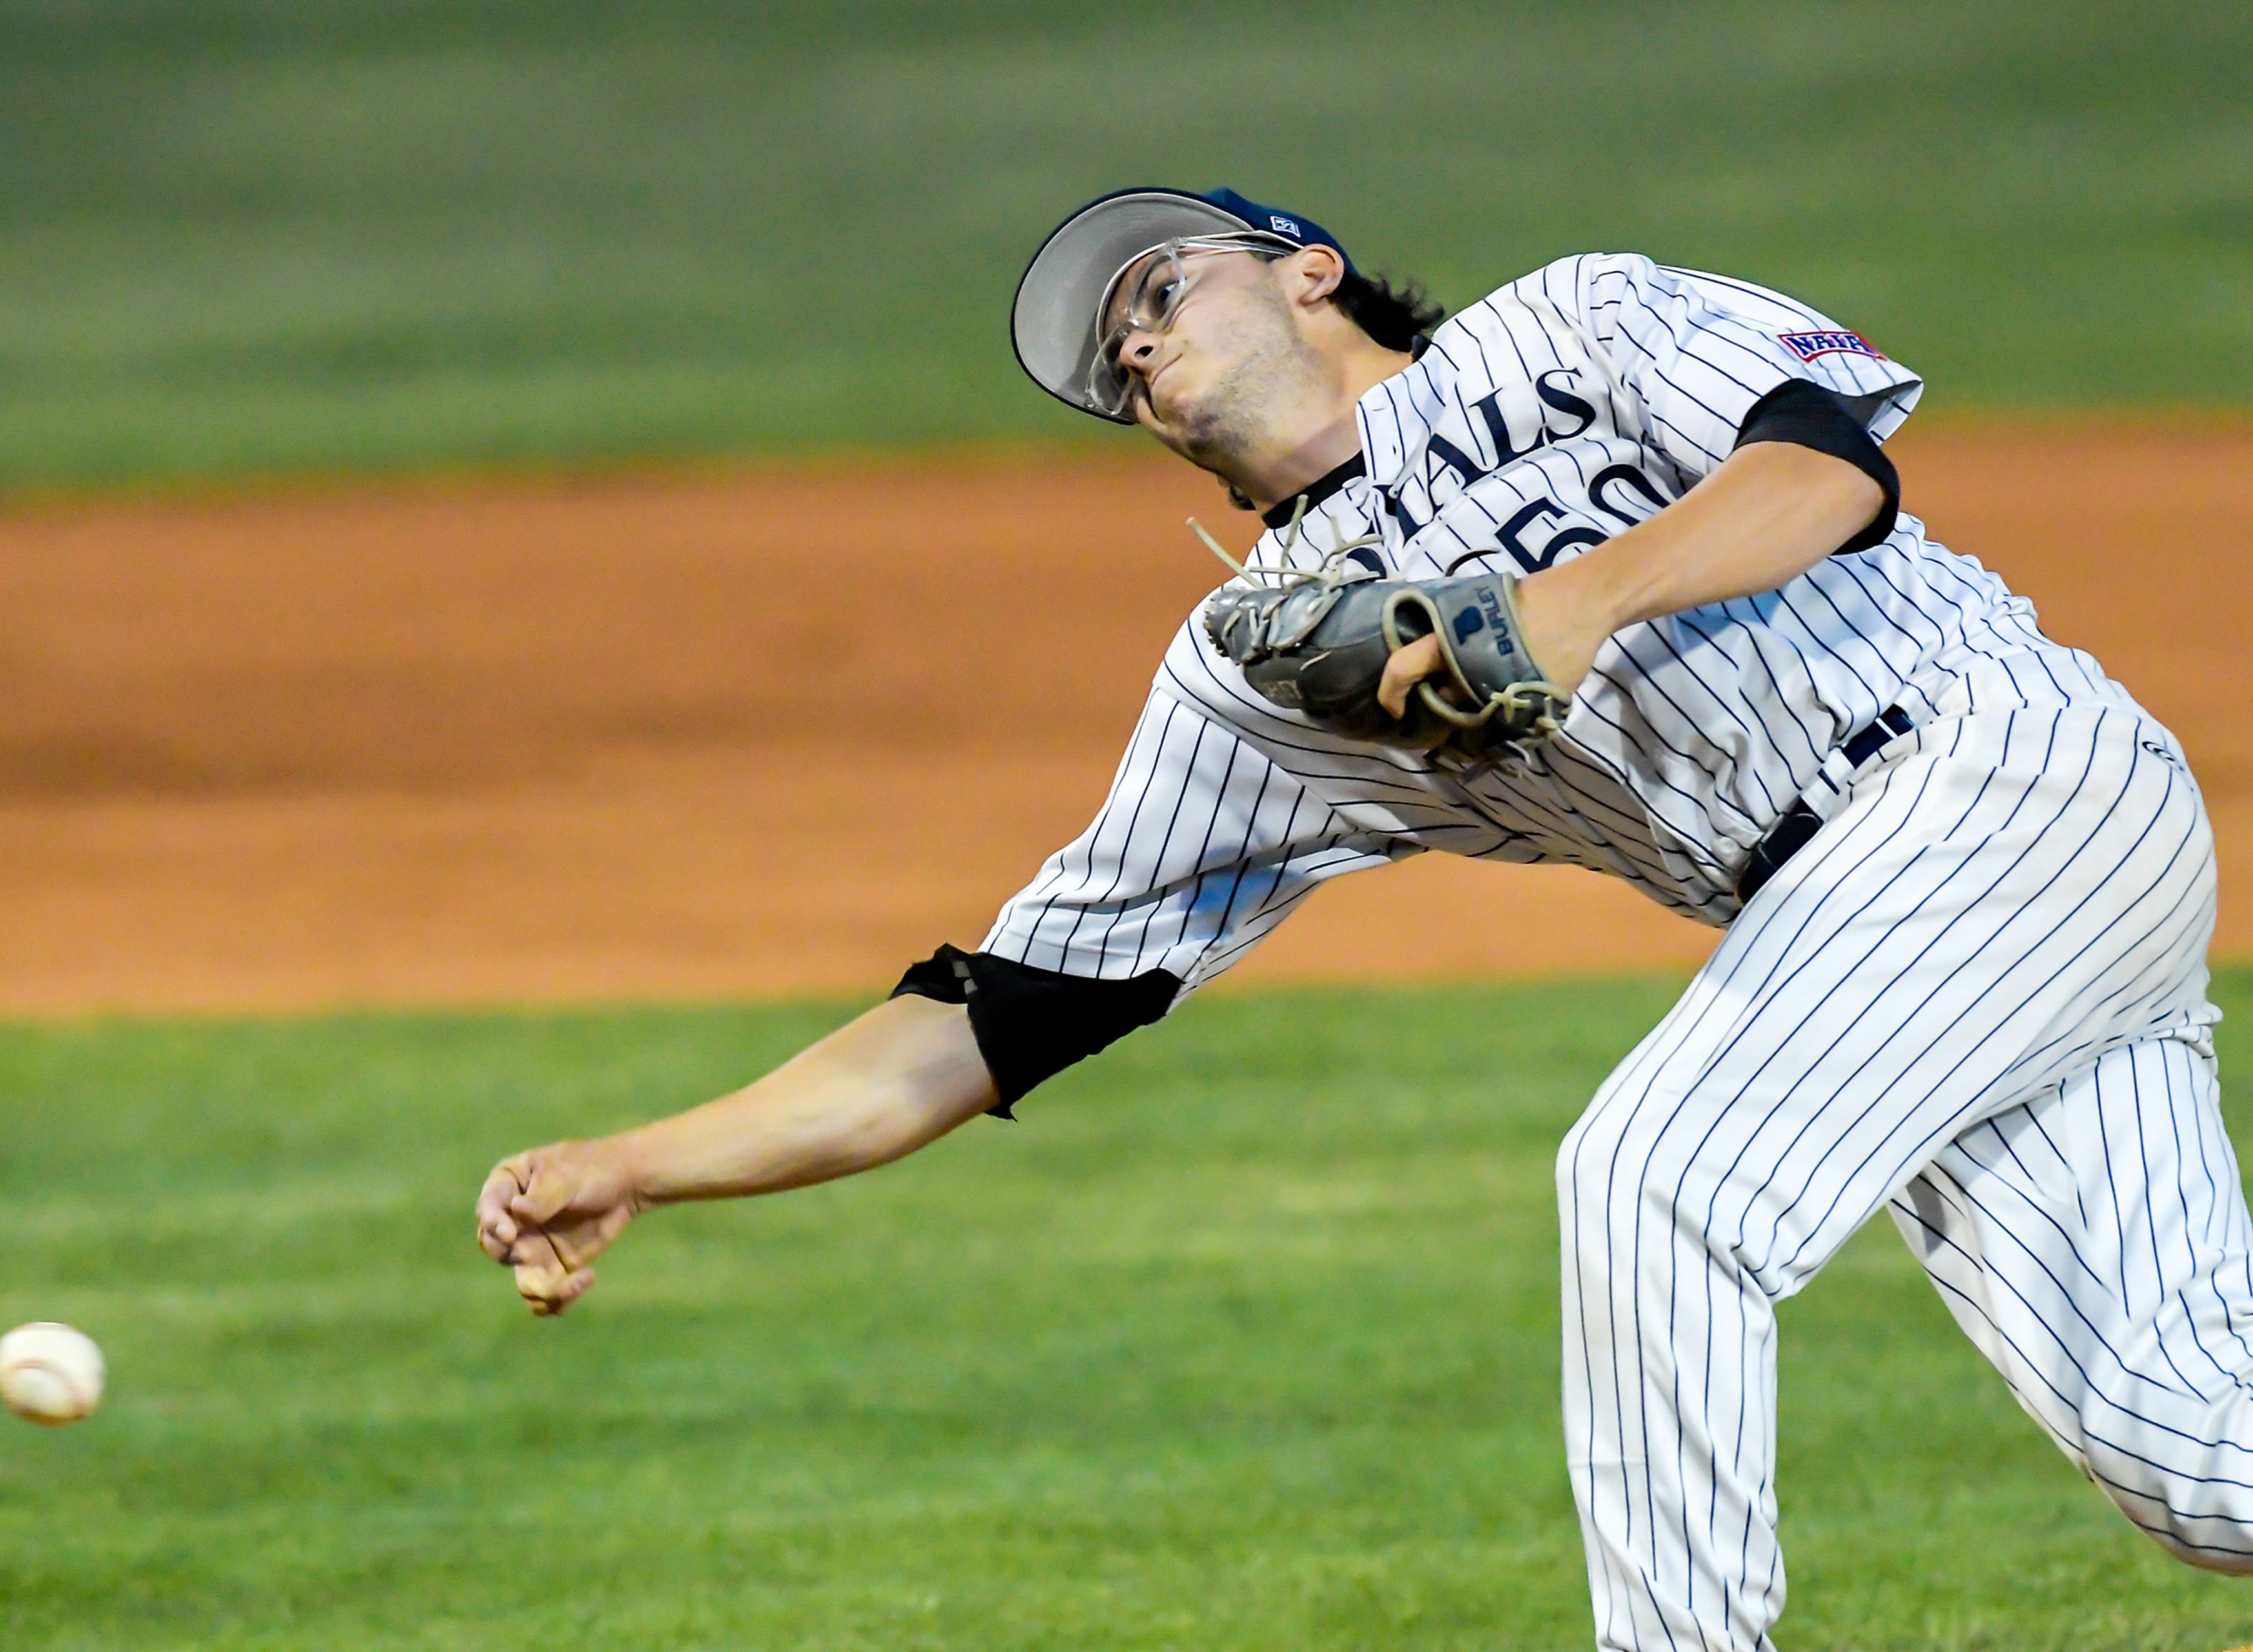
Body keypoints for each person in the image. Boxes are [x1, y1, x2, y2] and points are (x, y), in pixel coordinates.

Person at [477, 187, 2253, 1649]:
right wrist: (644, 1158)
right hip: (1880, 943)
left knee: (1655, 1178)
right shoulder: (1261, 682)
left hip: (2002, 774)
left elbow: (1828, 461)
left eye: (1161, 285)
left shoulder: (1572, 322)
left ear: (1305, 263)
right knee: (2189, 1454)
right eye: (1118, 361)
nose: (1142, 342)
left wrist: (1567, 608)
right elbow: (1001, 1011)